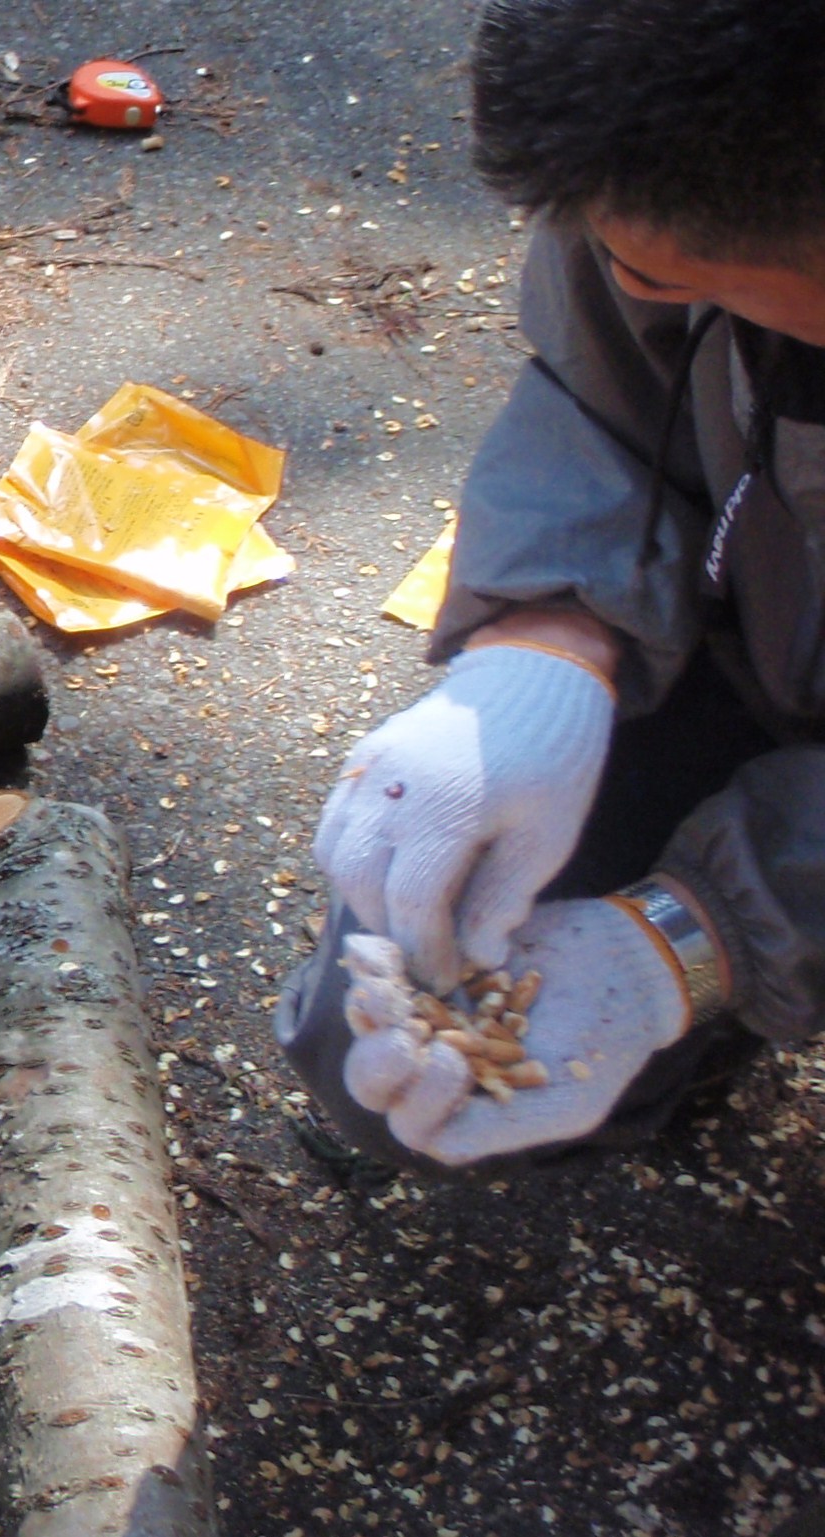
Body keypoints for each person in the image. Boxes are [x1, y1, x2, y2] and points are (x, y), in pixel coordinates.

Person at [275, 0, 825, 1173]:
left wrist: (698, 937)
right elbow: (603, 397)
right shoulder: (664, 140)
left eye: (661, 267)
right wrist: (543, 645)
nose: (626, 273)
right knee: (401, 1046)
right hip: (764, 612)